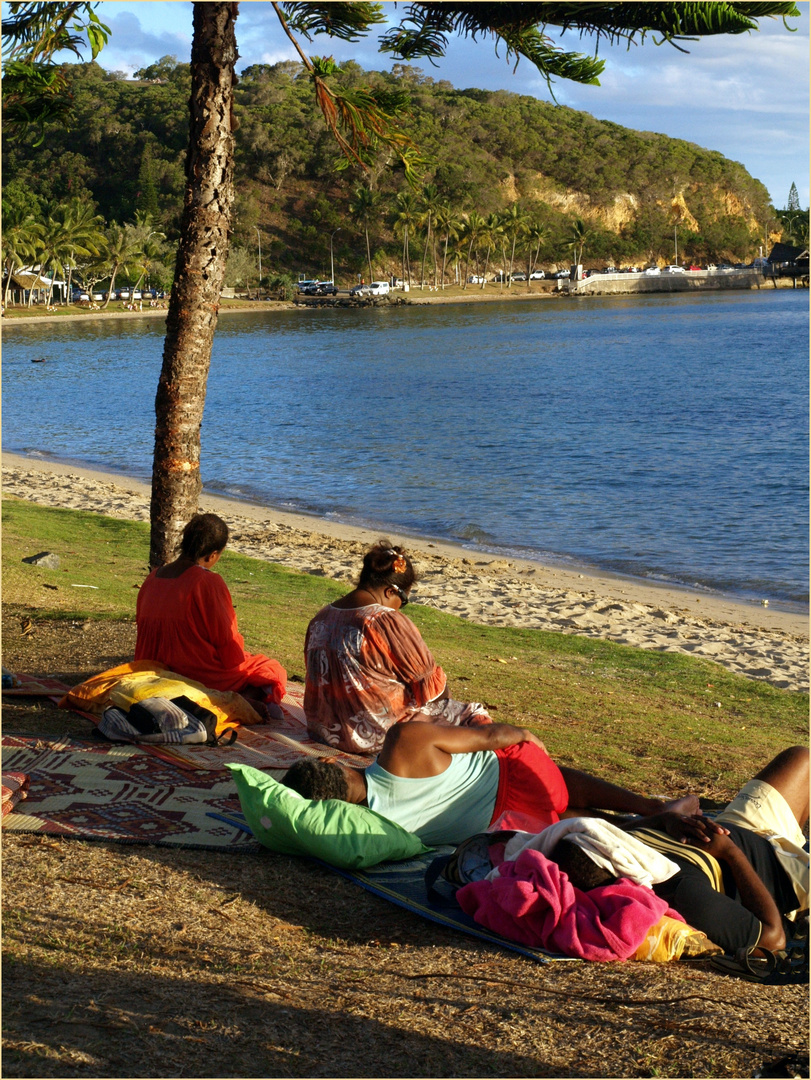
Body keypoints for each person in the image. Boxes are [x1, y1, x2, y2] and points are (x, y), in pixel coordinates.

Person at [546, 746, 809, 958]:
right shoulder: (680, 889)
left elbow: (570, 812)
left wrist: (662, 820)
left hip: (743, 825)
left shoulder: (621, 850)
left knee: (801, 757)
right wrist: (729, 853)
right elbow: (772, 941)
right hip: (789, 878)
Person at [282, 719, 699, 846]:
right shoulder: (403, 742)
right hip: (524, 782)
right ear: (335, 766)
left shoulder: (377, 832)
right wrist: (524, 735)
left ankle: (642, 828)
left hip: (514, 824)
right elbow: (491, 738)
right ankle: (651, 808)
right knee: (536, 771)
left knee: (566, 815)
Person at [304, 541, 491, 754]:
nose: (400, 607)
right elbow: (434, 692)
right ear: (390, 591)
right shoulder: (384, 621)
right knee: (471, 715)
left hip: (323, 732)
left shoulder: (321, 617)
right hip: (375, 738)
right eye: (403, 600)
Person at [135, 513, 286, 714]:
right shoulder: (207, 582)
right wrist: (238, 665)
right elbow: (226, 641)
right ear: (211, 555)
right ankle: (240, 700)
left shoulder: (153, 577)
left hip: (153, 667)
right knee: (269, 668)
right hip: (195, 672)